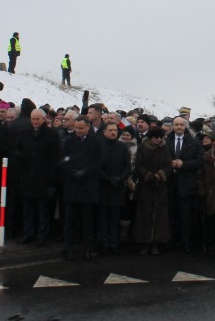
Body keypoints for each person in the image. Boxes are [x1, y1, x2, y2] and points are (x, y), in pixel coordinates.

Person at [14, 109, 59, 248]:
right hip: (27, 177)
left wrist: (52, 180)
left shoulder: (52, 134)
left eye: (37, 119)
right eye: (33, 119)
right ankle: (28, 234)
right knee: (28, 210)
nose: (34, 122)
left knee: (42, 211)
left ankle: (42, 236)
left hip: (43, 178)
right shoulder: (25, 132)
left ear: (44, 119)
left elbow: (55, 158)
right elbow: (17, 149)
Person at [60, 115, 102, 260]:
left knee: (88, 221)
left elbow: (98, 162)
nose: (78, 130)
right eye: (76, 128)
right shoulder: (68, 141)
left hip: (88, 186)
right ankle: (69, 248)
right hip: (72, 186)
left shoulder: (96, 142)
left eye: (81, 128)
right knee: (70, 220)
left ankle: (88, 248)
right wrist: (72, 172)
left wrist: (85, 172)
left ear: (88, 127)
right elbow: (64, 160)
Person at [166, 116, 203, 253]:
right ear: (173, 126)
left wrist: (184, 164)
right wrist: (169, 164)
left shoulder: (193, 142)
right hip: (171, 184)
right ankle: (172, 241)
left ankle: (185, 242)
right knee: (172, 215)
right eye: (176, 125)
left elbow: (200, 161)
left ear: (185, 126)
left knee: (186, 216)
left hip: (187, 184)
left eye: (181, 125)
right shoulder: (167, 141)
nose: (179, 127)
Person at [132, 126, 171, 254]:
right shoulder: (143, 147)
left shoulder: (165, 148)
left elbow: (168, 165)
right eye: (156, 137)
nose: (158, 140)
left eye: (160, 137)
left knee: (160, 215)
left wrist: (160, 174)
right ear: (150, 137)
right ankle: (145, 241)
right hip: (146, 186)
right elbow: (138, 165)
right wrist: (148, 175)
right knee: (144, 214)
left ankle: (156, 242)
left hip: (160, 186)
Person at [98, 122, 132, 254]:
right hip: (104, 187)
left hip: (118, 187)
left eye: (115, 130)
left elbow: (127, 166)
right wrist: (106, 178)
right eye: (110, 130)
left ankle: (114, 242)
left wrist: (121, 178)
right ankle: (104, 243)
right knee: (103, 217)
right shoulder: (99, 146)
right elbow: (97, 165)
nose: (113, 132)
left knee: (115, 217)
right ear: (104, 132)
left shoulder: (122, 147)